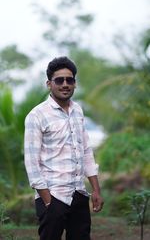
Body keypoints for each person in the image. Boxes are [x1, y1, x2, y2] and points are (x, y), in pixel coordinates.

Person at [24, 56, 104, 240]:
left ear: (75, 83)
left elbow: (86, 152)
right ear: (49, 84)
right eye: (59, 80)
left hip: (79, 193)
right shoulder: (36, 115)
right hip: (53, 196)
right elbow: (31, 163)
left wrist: (96, 190)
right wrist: (47, 201)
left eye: (70, 80)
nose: (65, 84)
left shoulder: (78, 111)